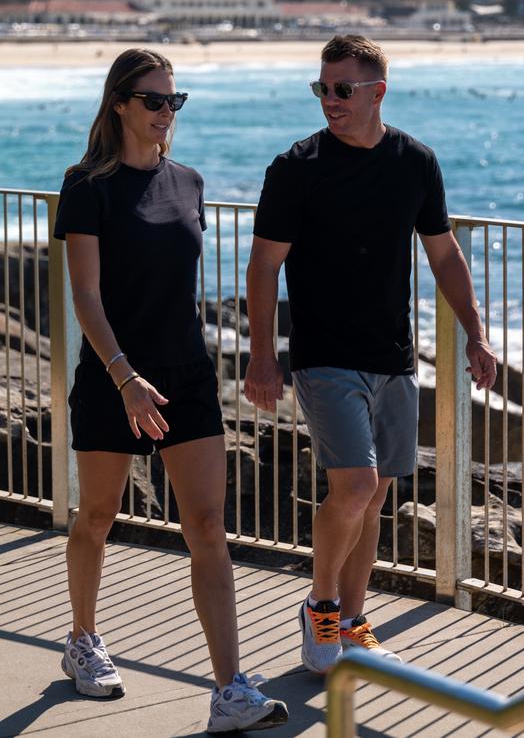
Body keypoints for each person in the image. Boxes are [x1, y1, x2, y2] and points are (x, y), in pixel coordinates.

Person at [244, 34, 497, 674]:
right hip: (324, 355)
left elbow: (444, 252)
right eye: (321, 88)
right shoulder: (295, 167)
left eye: (342, 89)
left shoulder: (415, 161)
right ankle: (320, 607)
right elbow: (263, 267)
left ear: (377, 91)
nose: (329, 100)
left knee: (376, 492)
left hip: (393, 356)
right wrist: (262, 355)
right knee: (353, 485)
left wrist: (475, 330)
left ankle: (355, 620)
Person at [54, 48, 288, 733]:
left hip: (186, 375)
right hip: (113, 378)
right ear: (120, 103)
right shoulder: (85, 186)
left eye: (174, 102)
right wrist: (125, 376)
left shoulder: (188, 181)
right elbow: (86, 296)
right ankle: (83, 638)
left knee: (208, 528)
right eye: (153, 100)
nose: (165, 113)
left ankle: (228, 689)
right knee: (97, 517)